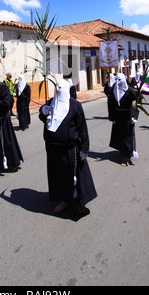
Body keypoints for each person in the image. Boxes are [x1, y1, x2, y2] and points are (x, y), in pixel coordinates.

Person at [39, 79, 97, 215]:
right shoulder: (50, 102)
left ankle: (79, 203)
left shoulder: (75, 106)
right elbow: (44, 118)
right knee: (59, 176)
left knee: (74, 176)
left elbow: (83, 128)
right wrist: (43, 112)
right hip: (53, 149)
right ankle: (64, 201)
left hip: (70, 149)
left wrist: (84, 149)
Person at [108, 73, 137, 167]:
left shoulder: (130, 91)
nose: (118, 82)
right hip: (118, 117)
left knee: (127, 137)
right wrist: (112, 117)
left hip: (127, 117)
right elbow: (110, 104)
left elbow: (135, 104)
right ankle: (123, 152)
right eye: (117, 80)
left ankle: (126, 157)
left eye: (120, 80)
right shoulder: (113, 90)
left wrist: (134, 116)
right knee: (119, 136)